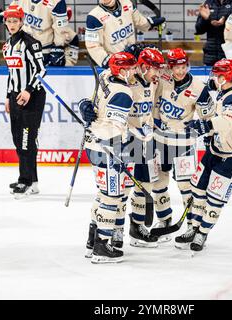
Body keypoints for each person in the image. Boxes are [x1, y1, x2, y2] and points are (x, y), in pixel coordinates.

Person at [187, 59, 232, 251]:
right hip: (216, 147)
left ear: (224, 77)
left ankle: (202, 233)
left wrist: (205, 126)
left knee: (215, 197)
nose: (213, 78)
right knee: (198, 188)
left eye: (217, 75)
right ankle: (194, 226)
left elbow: (228, 122)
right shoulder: (228, 91)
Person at [151, 48, 213, 247]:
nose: (180, 71)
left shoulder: (198, 87)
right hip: (160, 140)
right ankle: (164, 219)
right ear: (169, 66)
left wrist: (210, 135)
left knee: (187, 187)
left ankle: (193, 227)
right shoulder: (162, 77)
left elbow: (208, 117)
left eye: (183, 66)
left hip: (184, 143)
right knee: (158, 184)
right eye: (176, 67)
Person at [80, 51, 138, 263]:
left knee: (103, 193)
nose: (134, 71)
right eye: (131, 68)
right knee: (112, 196)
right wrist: (118, 155)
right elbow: (113, 130)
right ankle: (102, 247)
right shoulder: (123, 92)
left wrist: (84, 106)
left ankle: (92, 241)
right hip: (107, 149)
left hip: (92, 145)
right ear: (122, 70)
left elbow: (91, 102)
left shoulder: (105, 75)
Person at [2, 4, 46, 198]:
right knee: (18, 140)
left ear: (21, 21)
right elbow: (11, 74)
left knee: (27, 140)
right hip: (15, 97)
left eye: (15, 21)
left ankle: (25, 181)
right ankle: (32, 180)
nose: (11, 24)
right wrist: (7, 96)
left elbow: (41, 70)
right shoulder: (7, 45)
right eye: (9, 21)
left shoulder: (30, 43)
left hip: (32, 96)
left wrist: (28, 90)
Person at [124, 46, 165, 248]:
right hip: (127, 140)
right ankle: (111, 232)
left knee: (146, 183)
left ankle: (137, 227)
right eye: (154, 68)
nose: (157, 73)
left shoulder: (153, 82)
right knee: (123, 188)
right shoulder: (127, 83)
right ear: (142, 66)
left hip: (146, 139)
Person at [85, 0, 165, 68]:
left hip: (134, 59)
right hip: (117, 65)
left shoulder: (127, 3)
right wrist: (110, 62)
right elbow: (93, 46)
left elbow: (140, 22)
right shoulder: (94, 16)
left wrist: (151, 23)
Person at [12, 0, 79, 66]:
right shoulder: (18, 2)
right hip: (22, 51)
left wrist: (58, 50)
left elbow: (65, 33)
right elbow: (10, 18)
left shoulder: (56, 2)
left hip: (44, 54)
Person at [195, 0, 232, 66]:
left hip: (230, 56)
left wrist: (225, 23)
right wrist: (206, 19)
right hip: (210, 57)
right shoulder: (208, 3)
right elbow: (199, 29)